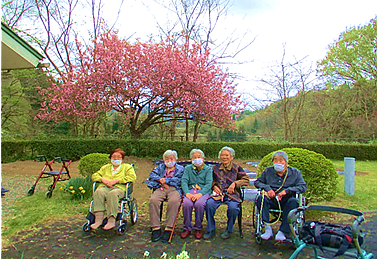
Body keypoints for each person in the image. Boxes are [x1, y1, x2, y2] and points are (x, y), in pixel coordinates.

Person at [254, 150, 307, 241]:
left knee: (294, 202)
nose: (278, 163)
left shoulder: (295, 173)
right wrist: (268, 189)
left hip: (287, 200)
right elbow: (258, 182)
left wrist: (287, 191)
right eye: (275, 160)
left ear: (286, 162)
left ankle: (283, 231)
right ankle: (267, 229)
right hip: (272, 199)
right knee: (260, 199)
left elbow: (302, 186)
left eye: (281, 160)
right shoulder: (268, 171)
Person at [203, 146, 250, 240]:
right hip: (218, 194)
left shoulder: (237, 168)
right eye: (222, 155)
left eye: (227, 155)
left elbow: (246, 180)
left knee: (233, 208)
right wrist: (214, 186)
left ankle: (229, 229)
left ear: (232, 157)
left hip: (232, 195)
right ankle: (211, 229)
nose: (224, 157)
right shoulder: (215, 168)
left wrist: (235, 184)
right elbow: (209, 180)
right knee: (209, 204)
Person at [91, 148, 136, 230]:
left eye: (118, 157)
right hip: (105, 186)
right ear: (110, 158)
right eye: (113, 157)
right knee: (98, 192)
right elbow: (95, 175)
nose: (116, 159)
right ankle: (98, 219)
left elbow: (132, 177)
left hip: (119, 188)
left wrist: (116, 181)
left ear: (122, 158)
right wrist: (103, 180)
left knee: (113, 194)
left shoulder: (127, 167)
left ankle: (111, 220)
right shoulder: (105, 168)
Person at [147, 150, 185, 243]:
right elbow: (152, 175)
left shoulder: (181, 169)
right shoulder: (160, 167)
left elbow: (180, 180)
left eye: (171, 158)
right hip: (161, 188)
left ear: (176, 159)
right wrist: (160, 180)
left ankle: (169, 228)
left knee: (174, 201)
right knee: (153, 200)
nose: (169, 160)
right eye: (167, 159)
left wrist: (166, 181)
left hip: (174, 189)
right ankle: (155, 227)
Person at [180, 149, 213, 240]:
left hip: (203, 191)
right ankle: (187, 227)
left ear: (203, 158)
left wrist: (200, 194)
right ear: (191, 159)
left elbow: (208, 184)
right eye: (194, 157)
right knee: (187, 204)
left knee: (199, 204)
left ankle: (198, 227)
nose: (197, 159)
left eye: (199, 157)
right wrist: (187, 193)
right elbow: (184, 181)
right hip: (190, 190)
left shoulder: (208, 169)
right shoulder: (187, 168)